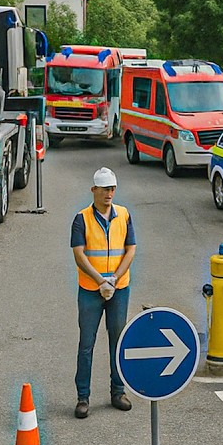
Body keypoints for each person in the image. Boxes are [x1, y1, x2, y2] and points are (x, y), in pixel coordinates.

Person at [71, 166, 137, 417]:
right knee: (86, 344)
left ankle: (118, 392)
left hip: (118, 289)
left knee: (118, 342)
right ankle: (83, 397)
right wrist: (101, 281)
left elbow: (130, 249)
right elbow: (79, 255)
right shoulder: (81, 219)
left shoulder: (124, 215)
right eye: (105, 189)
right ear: (94, 190)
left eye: (112, 189)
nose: (109, 193)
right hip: (90, 289)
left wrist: (114, 279)